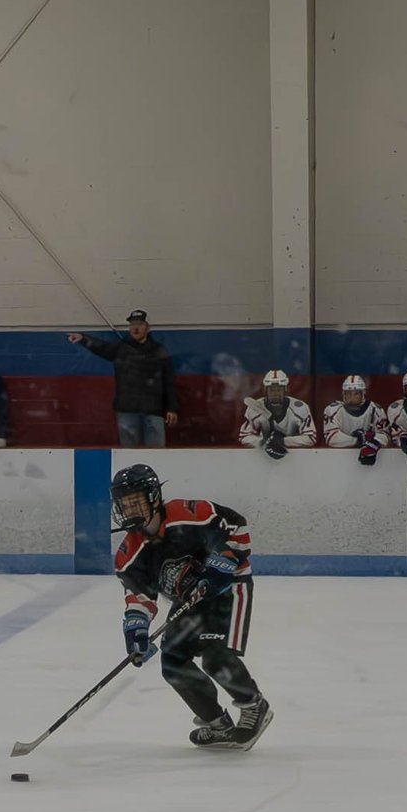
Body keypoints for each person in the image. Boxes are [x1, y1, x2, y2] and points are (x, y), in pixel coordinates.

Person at [110, 463, 273, 751]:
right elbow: (139, 597)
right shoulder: (129, 554)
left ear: (153, 497)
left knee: (215, 656)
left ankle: (253, 706)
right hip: (188, 599)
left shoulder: (190, 514)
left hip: (228, 588)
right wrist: (136, 631)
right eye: (125, 504)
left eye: (135, 501)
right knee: (173, 664)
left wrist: (222, 563)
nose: (129, 509)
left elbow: (235, 526)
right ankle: (218, 725)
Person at [67, 310, 179, 446]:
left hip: (153, 410)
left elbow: (168, 381)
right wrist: (83, 338)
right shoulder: (120, 348)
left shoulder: (159, 351)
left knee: (155, 453)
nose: (135, 328)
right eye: (132, 324)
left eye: (140, 324)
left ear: (148, 328)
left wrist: (172, 408)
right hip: (128, 410)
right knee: (128, 454)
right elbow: (101, 347)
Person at [237, 370, 316, 457]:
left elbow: (311, 438)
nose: (275, 393)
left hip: (295, 457)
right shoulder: (255, 408)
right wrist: (263, 442)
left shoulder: (300, 408)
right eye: (272, 390)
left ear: (285, 389)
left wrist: (282, 441)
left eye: (279, 389)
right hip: (263, 458)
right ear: (265, 390)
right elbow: (244, 436)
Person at [322, 375, 388, 464]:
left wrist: (368, 438)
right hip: (338, 459)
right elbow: (332, 438)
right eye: (349, 393)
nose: (352, 397)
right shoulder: (333, 410)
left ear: (363, 394)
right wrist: (359, 440)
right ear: (344, 394)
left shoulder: (376, 410)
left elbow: (385, 438)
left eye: (356, 393)